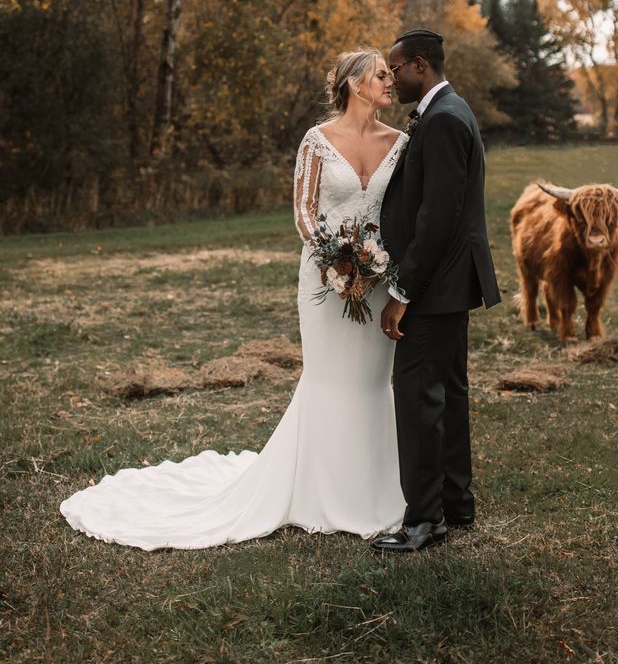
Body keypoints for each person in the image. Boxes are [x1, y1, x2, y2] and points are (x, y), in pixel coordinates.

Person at [60, 49, 406, 549]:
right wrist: (335, 259)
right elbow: (304, 212)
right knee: (329, 379)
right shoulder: (317, 142)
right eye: (380, 75)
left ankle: (376, 491)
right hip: (325, 279)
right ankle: (314, 491)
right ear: (355, 84)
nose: (388, 83)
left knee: (372, 382)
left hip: (373, 282)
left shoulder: (400, 142)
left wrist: (372, 267)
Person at [371, 28, 501, 554]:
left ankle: (425, 520)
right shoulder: (451, 111)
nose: (392, 77)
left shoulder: (444, 120)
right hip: (451, 285)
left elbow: (438, 220)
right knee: (446, 393)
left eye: (396, 68)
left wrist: (403, 290)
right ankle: (457, 502)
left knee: (420, 398)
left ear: (419, 65)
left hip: (435, 284)